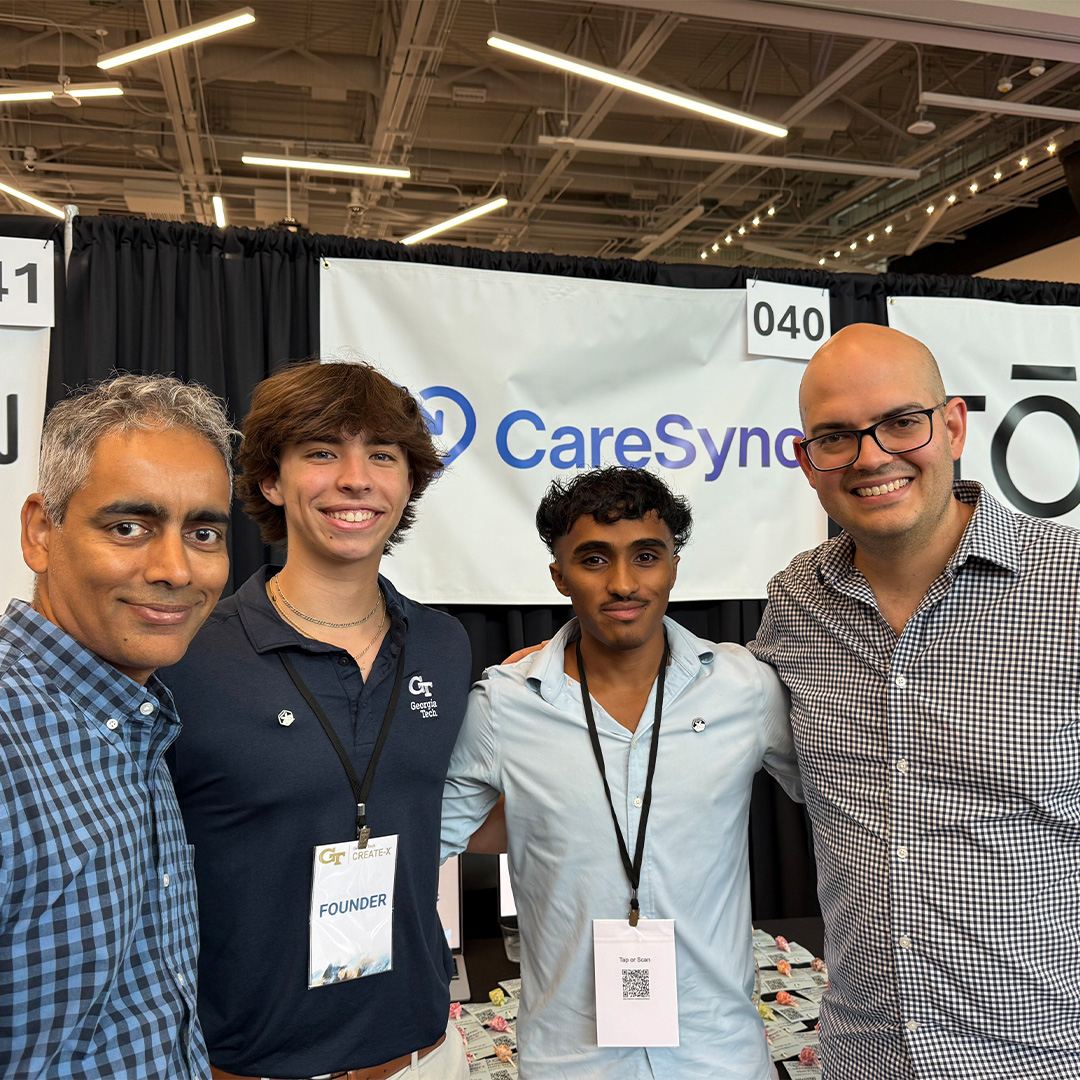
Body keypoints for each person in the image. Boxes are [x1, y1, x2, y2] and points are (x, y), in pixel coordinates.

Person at [750, 321, 1080, 1078]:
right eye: (835, 437)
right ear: (807, 463)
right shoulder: (796, 602)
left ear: (954, 424)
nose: (871, 457)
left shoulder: (1072, 586)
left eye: (902, 422)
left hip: (1047, 1059)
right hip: (867, 1058)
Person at [162, 359, 472, 1080]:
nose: (356, 478)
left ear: (408, 483)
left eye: (383, 455)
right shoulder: (187, 651)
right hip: (250, 1062)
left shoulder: (444, 644)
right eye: (323, 452)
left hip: (423, 1052)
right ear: (272, 480)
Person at [441, 465, 802, 1079]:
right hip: (571, 1059)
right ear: (559, 576)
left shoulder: (746, 689)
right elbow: (421, 834)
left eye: (646, 556)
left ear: (674, 566)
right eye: (594, 560)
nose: (624, 583)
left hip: (720, 1055)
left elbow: (850, 799)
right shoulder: (506, 704)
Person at [2, 373, 235, 1079]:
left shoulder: (133, 723)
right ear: (42, 531)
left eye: (202, 532)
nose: (173, 568)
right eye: (128, 527)